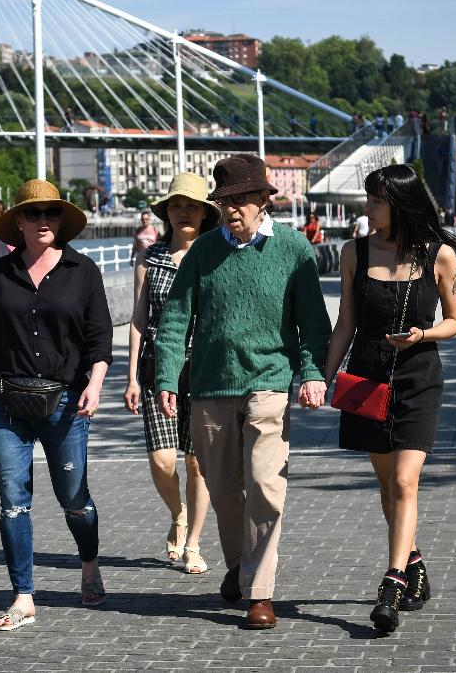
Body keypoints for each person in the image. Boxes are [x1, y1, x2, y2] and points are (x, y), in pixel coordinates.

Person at [153, 153, 331, 631]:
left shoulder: (293, 248)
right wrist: (166, 378)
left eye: (242, 199)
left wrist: (313, 373)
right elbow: (174, 321)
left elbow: (315, 324)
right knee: (225, 488)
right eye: (225, 201)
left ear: (261, 200)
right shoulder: (203, 252)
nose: (232, 209)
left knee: (265, 485)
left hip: (269, 382)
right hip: (211, 385)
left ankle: (259, 591)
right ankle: (239, 564)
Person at [324, 163, 456, 633]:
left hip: (419, 378)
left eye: (377, 200)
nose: (368, 207)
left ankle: (392, 583)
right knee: (389, 489)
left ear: (400, 204)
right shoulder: (354, 252)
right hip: (367, 379)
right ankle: (414, 562)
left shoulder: (440, 255)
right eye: (369, 198)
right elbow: (345, 324)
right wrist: (322, 377)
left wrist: (423, 334)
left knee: (405, 482)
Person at [0, 180, 113, 631]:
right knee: (13, 501)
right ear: (18, 222)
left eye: (51, 212)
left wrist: (95, 385)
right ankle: (23, 597)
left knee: (74, 498)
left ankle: (89, 566)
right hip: (6, 402)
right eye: (33, 213)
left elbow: (100, 339)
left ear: (61, 219)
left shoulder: (83, 271)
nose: (43, 221)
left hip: (66, 402)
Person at [123, 173, 218, 575]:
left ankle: (193, 542)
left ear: (205, 213)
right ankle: (178, 512)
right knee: (163, 460)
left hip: (204, 371)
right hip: (156, 368)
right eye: (176, 205)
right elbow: (138, 318)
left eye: (192, 206)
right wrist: (131, 376)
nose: (184, 212)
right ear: (166, 212)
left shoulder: (216, 255)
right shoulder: (151, 257)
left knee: (198, 463)